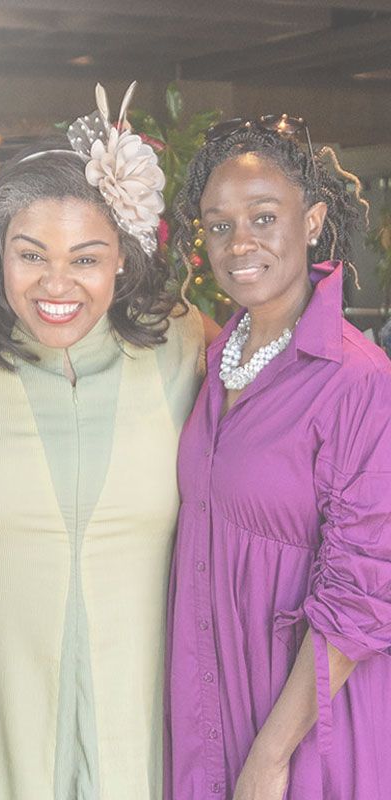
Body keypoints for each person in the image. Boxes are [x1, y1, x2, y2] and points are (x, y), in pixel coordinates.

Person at [0, 82, 213, 799]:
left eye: (86, 258)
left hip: (144, 734)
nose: (57, 284)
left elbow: (291, 421)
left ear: (123, 260)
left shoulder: (184, 341)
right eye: (32, 255)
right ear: (0, 253)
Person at [165, 116, 391, 799]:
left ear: (313, 220)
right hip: (209, 699)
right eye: (218, 226)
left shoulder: (358, 380)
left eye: (264, 218)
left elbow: (364, 591)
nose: (240, 243)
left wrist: (270, 755)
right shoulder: (215, 357)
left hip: (307, 724)